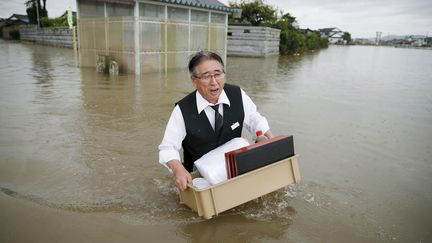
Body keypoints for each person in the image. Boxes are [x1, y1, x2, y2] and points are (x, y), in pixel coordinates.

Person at [158, 51, 272, 191]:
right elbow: (168, 147)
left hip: (234, 170)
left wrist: (267, 137)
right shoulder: (182, 109)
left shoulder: (237, 94)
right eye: (206, 76)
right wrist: (178, 169)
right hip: (200, 179)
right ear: (194, 80)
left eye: (218, 74)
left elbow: (254, 118)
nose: (214, 82)